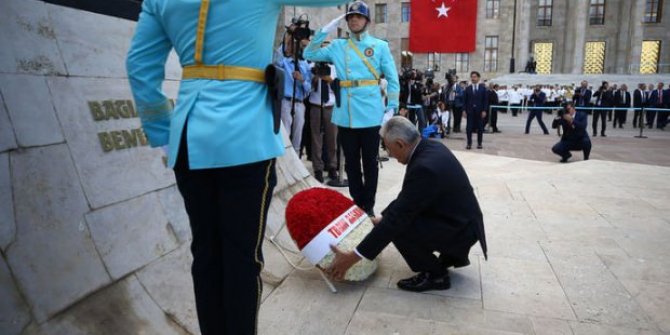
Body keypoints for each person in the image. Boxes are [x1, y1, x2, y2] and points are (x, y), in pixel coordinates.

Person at [126, 0, 347, 334]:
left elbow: (140, 67)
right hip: (245, 136)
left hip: (189, 135)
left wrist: (162, 132)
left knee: (206, 253)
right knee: (242, 258)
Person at [326, 116, 487, 291]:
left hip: (461, 231)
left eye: (387, 148)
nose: (389, 154)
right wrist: (381, 218)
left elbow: (397, 219)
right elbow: (408, 199)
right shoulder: (429, 148)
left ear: (400, 144)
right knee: (395, 220)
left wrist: (352, 257)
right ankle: (446, 256)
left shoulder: (424, 167)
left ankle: (436, 275)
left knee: (399, 227)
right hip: (461, 222)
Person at [304, 1, 400, 216]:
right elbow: (309, 54)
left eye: (358, 16)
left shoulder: (379, 46)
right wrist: (325, 29)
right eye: (350, 17)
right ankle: (358, 205)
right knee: (350, 165)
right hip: (346, 115)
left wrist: (391, 107)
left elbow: (393, 80)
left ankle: (369, 206)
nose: (354, 19)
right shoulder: (338, 46)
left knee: (371, 164)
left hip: (371, 112)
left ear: (367, 20)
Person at [277, 32, 312, 154]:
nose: (291, 47)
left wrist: (302, 79)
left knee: (298, 135)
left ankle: (296, 161)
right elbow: (277, 55)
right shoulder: (284, 62)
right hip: (286, 101)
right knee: (285, 134)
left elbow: (308, 89)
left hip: (299, 103)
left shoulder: (305, 65)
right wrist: (289, 34)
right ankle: (284, 160)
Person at [308, 58, 338, 182]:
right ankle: (318, 169)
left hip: (330, 106)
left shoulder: (335, 68)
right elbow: (307, 86)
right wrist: (315, 77)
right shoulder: (312, 67)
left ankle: (332, 167)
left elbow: (338, 88)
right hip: (315, 105)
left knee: (332, 139)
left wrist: (329, 80)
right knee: (316, 139)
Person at [463, 71, 488, 149]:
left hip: (480, 111)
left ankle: (479, 143)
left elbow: (485, 100)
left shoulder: (483, 89)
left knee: (480, 128)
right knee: (469, 128)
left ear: (478, 78)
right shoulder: (467, 89)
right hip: (470, 111)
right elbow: (464, 101)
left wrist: (484, 110)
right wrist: (464, 111)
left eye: (475, 77)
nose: (473, 78)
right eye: (472, 77)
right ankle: (469, 143)